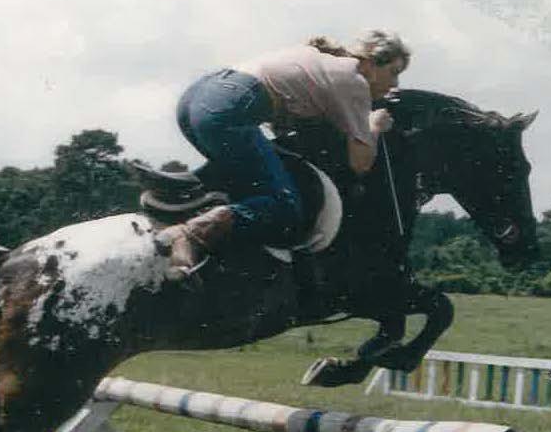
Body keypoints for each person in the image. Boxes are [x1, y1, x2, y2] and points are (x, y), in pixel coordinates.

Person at [166, 31, 411, 278]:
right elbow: (360, 163)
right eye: (393, 72)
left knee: (246, 187)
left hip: (197, 99)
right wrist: (374, 126)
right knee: (285, 206)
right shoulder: (354, 80)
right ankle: (190, 234)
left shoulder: (323, 64)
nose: (395, 84)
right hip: (228, 107)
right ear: (369, 63)